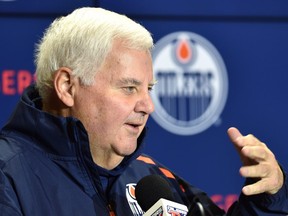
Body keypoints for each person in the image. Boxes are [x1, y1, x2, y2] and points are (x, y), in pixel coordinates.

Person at [0, 7, 287, 216]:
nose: (148, 106)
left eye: (148, 88)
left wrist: (267, 197)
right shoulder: (8, 176)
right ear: (67, 86)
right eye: (129, 88)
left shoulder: (154, 180)